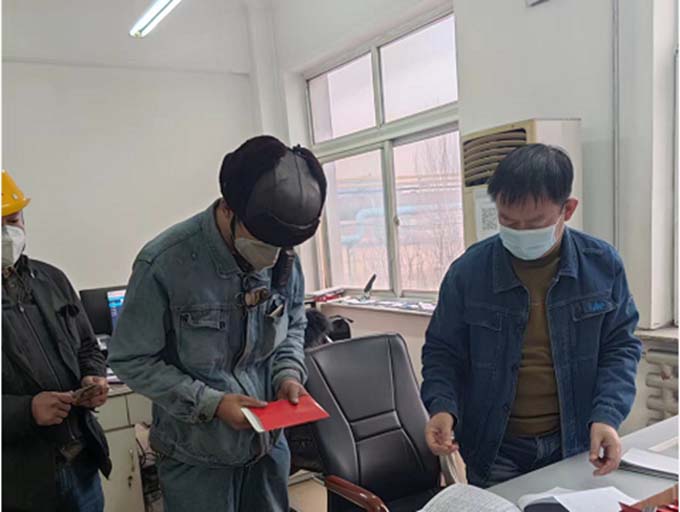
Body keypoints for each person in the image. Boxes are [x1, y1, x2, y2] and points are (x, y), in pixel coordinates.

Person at [108, 136, 327, 512]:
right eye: (263, 241)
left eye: (282, 246)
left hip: (268, 451)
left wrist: (288, 374)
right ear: (228, 208)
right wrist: (211, 404)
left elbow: (292, 323)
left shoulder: (282, 255)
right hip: (198, 462)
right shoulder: (164, 264)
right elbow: (131, 359)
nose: (272, 255)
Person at [421, 144, 642, 487]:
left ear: (568, 209)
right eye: (508, 221)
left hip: (575, 440)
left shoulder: (602, 265)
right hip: (496, 447)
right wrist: (442, 406)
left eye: (535, 223)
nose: (521, 233)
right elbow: (442, 352)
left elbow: (620, 347)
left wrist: (607, 415)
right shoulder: (469, 272)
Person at [2, 169, 112, 511]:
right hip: (20, 481)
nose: (7, 234)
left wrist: (93, 376)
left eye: (12, 220)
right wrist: (26, 411)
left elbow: (88, 346)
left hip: (81, 464)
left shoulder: (51, 279)